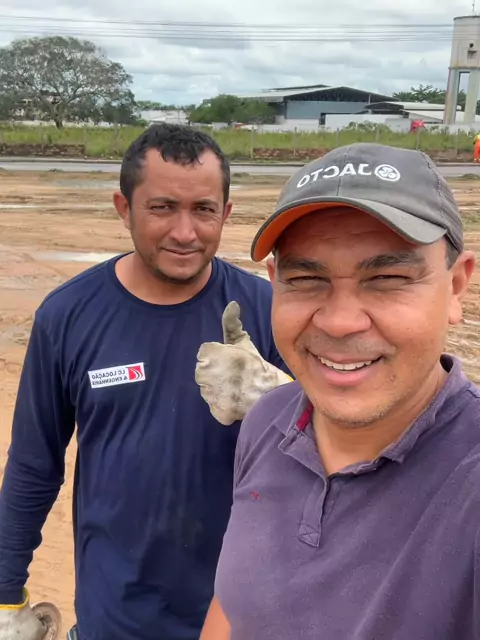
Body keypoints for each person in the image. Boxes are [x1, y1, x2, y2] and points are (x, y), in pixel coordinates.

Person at [0, 123, 290, 640]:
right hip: (116, 611)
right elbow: (33, 465)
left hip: (241, 609)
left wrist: (285, 403)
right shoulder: (67, 316)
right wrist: (5, 592)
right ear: (124, 207)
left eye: (203, 210)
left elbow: (338, 460)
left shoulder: (269, 311)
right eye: (162, 208)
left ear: (225, 213)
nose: (185, 232)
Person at [198, 143, 480, 640]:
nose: (340, 322)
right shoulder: (266, 422)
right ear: (274, 284)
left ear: (456, 286)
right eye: (307, 278)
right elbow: (235, 604)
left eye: (387, 278)